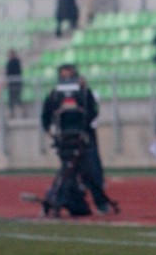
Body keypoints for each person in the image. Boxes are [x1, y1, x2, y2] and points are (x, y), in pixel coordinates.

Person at [41, 64, 112, 214]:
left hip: (84, 139)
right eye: (64, 76)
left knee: (92, 172)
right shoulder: (55, 94)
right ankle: (65, 201)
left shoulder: (84, 93)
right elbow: (46, 114)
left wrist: (83, 128)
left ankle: (101, 203)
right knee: (68, 174)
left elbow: (93, 111)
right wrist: (49, 129)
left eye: (70, 76)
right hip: (64, 141)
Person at [5, 49, 24, 118]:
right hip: (11, 84)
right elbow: (7, 73)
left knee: (18, 99)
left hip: (17, 84)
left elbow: (18, 72)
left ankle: (23, 111)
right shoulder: (9, 63)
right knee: (11, 100)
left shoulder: (16, 62)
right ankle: (12, 113)